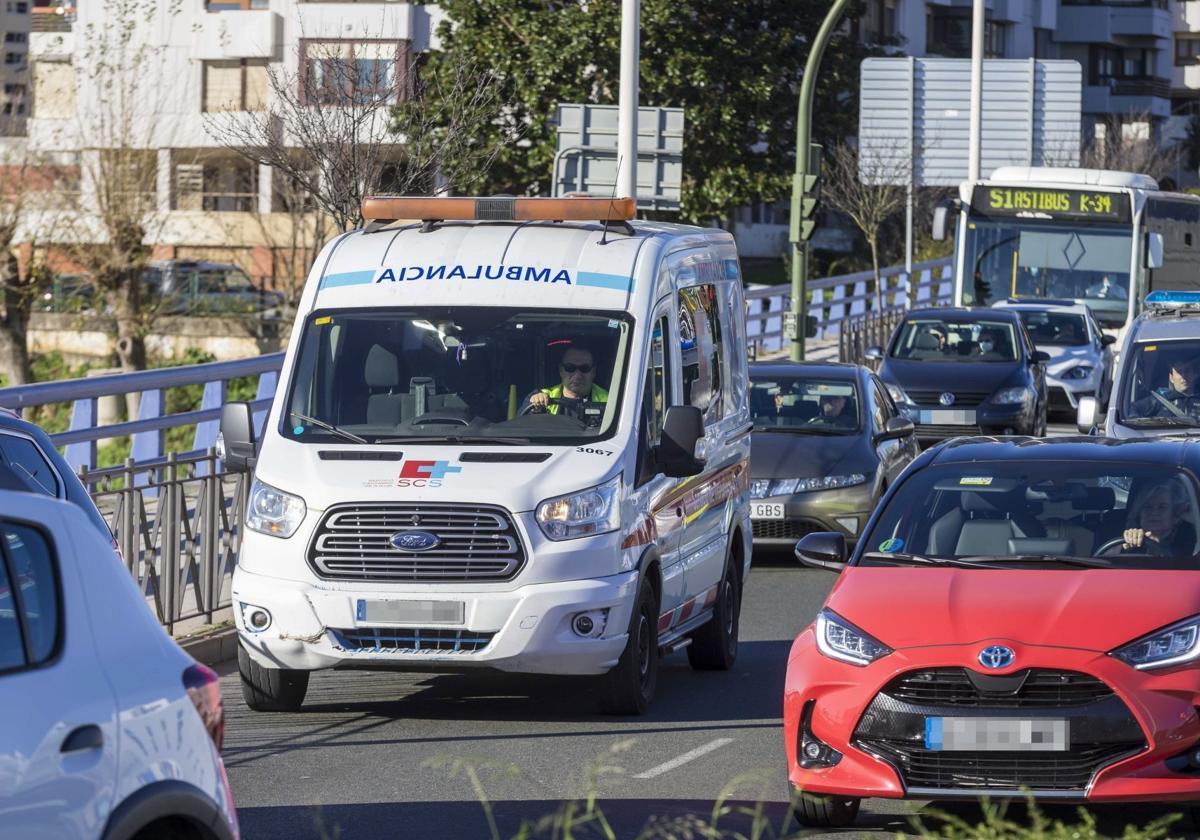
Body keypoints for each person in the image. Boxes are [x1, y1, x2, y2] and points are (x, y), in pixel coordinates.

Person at [524, 344, 609, 423]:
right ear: (561, 370)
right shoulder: (539, 396)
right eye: (570, 368)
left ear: (593, 372)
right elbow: (521, 426)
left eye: (584, 368)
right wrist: (535, 409)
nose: (577, 375)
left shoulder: (612, 401)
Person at [1122, 480, 1197, 555]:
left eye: (1162, 507)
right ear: (1139, 513)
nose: (1154, 512)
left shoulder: (1189, 542)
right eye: (1148, 507)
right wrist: (1124, 546)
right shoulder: (1127, 536)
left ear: (1175, 513)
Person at [1130, 356, 1200, 421]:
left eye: (1187, 371)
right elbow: (1132, 408)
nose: (1183, 376)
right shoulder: (1161, 399)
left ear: (1194, 375)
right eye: (1179, 372)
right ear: (1171, 378)